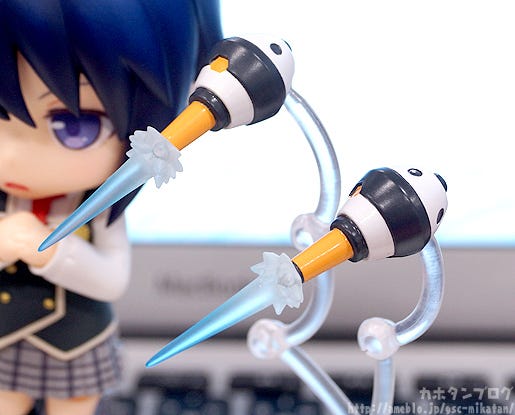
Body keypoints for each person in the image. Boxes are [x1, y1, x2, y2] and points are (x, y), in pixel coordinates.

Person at [0, 1, 223, 413]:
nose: (11, 156)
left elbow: (112, 279)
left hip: (76, 340)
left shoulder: (98, 208)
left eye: (73, 126)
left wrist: (54, 253)